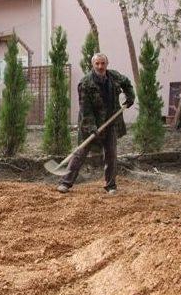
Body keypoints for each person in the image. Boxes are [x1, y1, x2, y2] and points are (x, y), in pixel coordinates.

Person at [57, 53, 135, 194]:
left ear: (107, 64)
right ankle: (66, 183)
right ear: (93, 65)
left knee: (111, 154)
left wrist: (130, 97)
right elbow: (85, 109)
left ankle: (110, 186)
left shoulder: (114, 76)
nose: (100, 66)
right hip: (90, 123)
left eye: (102, 63)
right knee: (80, 153)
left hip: (110, 121)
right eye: (97, 63)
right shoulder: (85, 83)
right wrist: (92, 128)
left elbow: (127, 83)